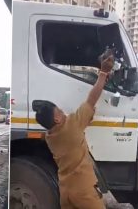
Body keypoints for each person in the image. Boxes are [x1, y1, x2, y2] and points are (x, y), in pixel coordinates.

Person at [32, 50, 114, 209]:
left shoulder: (50, 136)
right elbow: (92, 99)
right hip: (84, 192)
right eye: (60, 111)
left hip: (66, 192)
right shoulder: (72, 126)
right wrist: (103, 73)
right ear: (56, 119)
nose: (63, 111)